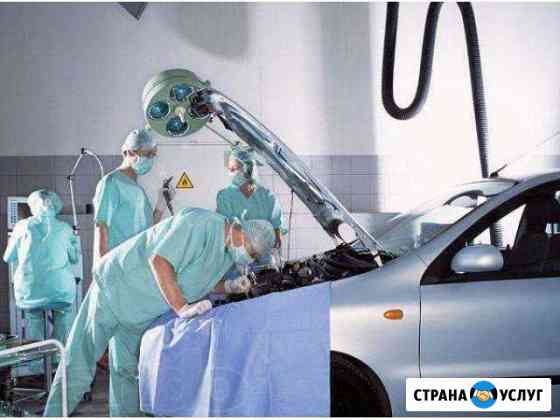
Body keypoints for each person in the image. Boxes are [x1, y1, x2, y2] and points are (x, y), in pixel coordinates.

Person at [43, 208, 276, 417]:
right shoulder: (199, 223)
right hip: (116, 287)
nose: (249, 258)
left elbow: (199, 280)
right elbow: (160, 261)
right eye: (252, 252)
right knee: (80, 361)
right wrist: (181, 307)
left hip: (142, 310)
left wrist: (229, 286)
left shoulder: (226, 255)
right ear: (241, 232)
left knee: (128, 372)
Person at [3, 190, 80, 373]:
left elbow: (8, 257)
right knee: (63, 316)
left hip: (30, 292)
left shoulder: (21, 227)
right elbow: (75, 258)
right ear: (55, 206)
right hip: (60, 292)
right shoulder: (65, 229)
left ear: (32, 206)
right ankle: (57, 358)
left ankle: (36, 365)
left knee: (34, 318)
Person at [217, 146, 285, 257]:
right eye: (231, 170)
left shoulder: (268, 196)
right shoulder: (225, 196)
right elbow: (226, 229)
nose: (232, 174)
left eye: (234, 169)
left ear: (248, 169)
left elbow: (277, 232)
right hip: (241, 256)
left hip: (257, 256)